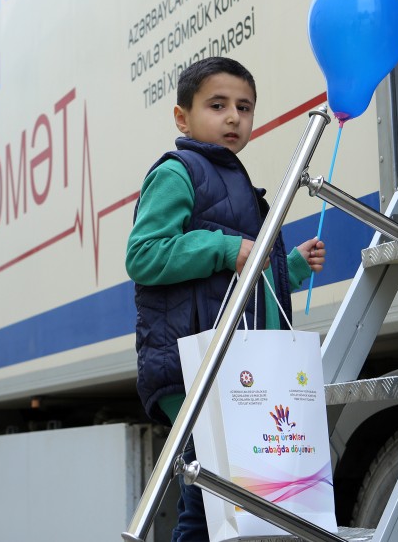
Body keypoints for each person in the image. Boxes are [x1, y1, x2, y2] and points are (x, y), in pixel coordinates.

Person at [126, 56, 326, 541]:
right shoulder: (179, 172)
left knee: (221, 504)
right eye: (217, 105)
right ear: (182, 117)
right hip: (192, 366)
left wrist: (291, 266)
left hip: (232, 366)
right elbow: (143, 254)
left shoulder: (235, 181)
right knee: (210, 498)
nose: (234, 117)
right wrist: (224, 248)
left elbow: (247, 278)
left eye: (245, 106)